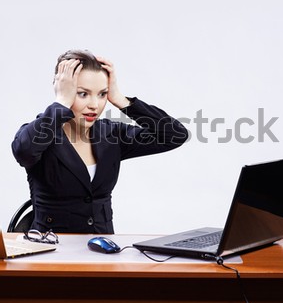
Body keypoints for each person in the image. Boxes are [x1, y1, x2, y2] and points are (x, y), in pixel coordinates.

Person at [11, 50, 188, 233]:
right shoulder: (40, 135)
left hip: (101, 251)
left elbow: (175, 135)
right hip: (51, 249)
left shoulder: (111, 134)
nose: (95, 105)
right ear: (63, 90)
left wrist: (121, 100)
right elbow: (24, 151)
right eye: (82, 94)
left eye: (102, 94)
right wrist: (61, 102)